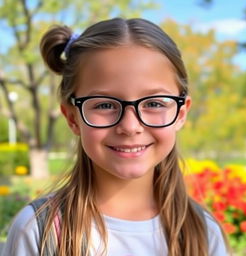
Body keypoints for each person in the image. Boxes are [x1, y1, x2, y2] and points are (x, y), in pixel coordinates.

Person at [2, 17, 230, 256]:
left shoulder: (203, 233)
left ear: (181, 114)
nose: (130, 126)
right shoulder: (39, 232)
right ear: (72, 117)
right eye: (104, 105)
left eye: (153, 103)